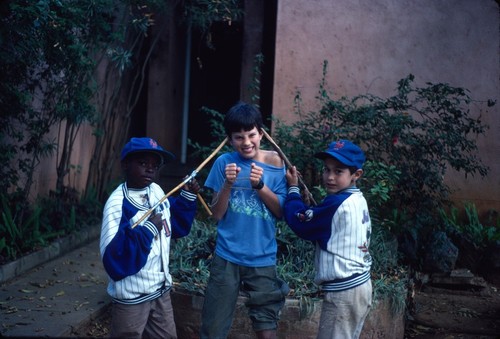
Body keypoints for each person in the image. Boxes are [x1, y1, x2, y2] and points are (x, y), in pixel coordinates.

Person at [200, 102, 290, 339]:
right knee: (213, 328)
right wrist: (228, 184)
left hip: (262, 257)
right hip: (227, 256)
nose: (246, 142)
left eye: (251, 135)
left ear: (261, 133)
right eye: (239, 137)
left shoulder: (277, 163)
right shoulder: (224, 164)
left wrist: (260, 186)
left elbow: (281, 212)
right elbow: (216, 214)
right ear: (230, 139)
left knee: (266, 325)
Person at [100, 137, 200, 338]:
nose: (150, 169)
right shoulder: (118, 205)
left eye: (155, 165)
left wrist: (187, 197)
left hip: (160, 290)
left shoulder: (155, 191)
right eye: (143, 163)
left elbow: (174, 226)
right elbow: (114, 260)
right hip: (132, 297)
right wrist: (147, 231)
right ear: (126, 165)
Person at [284, 140, 372, 339]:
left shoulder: (337, 204)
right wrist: (310, 208)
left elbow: (301, 224)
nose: (330, 177)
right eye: (327, 170)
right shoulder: (357, 199)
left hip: (345, 292)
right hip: (359, 286)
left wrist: (293, 190)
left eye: (338, 171)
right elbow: (323, 220)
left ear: (356, 175)